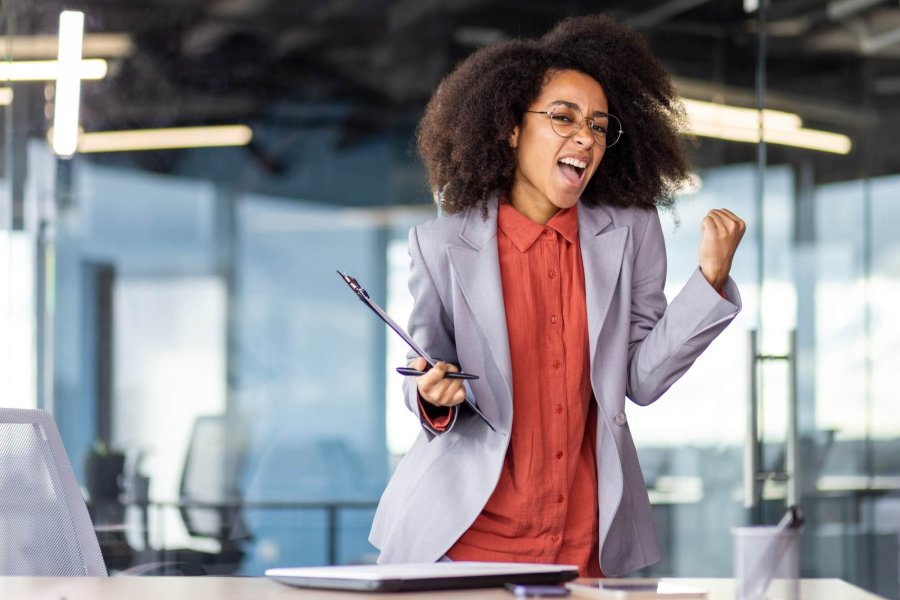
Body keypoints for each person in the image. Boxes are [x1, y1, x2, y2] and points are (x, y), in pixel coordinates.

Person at [369, 14, 745, 577]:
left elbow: (640, 381)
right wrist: (431, 395)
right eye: (562, 117)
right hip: (464, 538)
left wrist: (709, 283)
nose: (584, 137)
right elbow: (421, 369)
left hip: (584, 540)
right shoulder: (441, 245)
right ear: (511, 129)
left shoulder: (631, 232)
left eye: (598, 125)